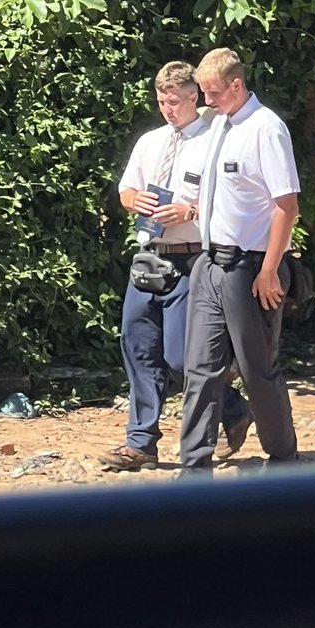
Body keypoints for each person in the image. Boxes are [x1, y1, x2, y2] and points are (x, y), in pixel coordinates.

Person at [100, 62, 251, 472]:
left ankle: (233, 408)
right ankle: (141, 442)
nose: (168, 109)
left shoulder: (215, 141)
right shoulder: (151, 142)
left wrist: (189, 210)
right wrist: (134, 201)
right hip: (150, 255)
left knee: (183, 357)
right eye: (162, 101)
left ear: (193, 97)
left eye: (175, 101)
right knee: (138, 346)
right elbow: (126, 189)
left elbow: (232, 201)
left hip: (193, 256)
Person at [179, 48, 300, 472]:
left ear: (236, 84)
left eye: (213, 93)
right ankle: (194, 467)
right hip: (210, 263)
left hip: (249, 267)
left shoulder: (266, 128)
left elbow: (286, 205)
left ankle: (283, 459)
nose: (207, 101)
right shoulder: (218, 125)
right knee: (200, 369)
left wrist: (270, 269)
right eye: (204, 93)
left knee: (256, 369)